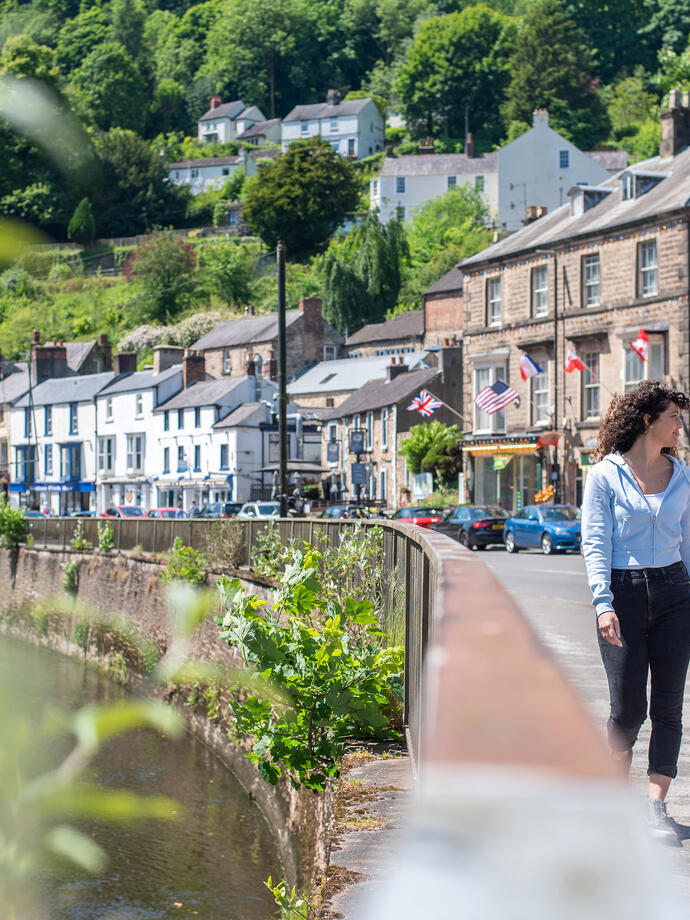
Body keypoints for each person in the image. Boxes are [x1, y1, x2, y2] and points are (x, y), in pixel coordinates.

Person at [582, 380, 690, 842]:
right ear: (649, 421)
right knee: (628, 709)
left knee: (668, 705)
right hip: (622, 594)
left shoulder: (682, 475)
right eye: (673, 417)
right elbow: (595, 543)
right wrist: (602, 603)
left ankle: (655, 805)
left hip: (674, 591)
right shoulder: (605, 475)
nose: (680, 425)